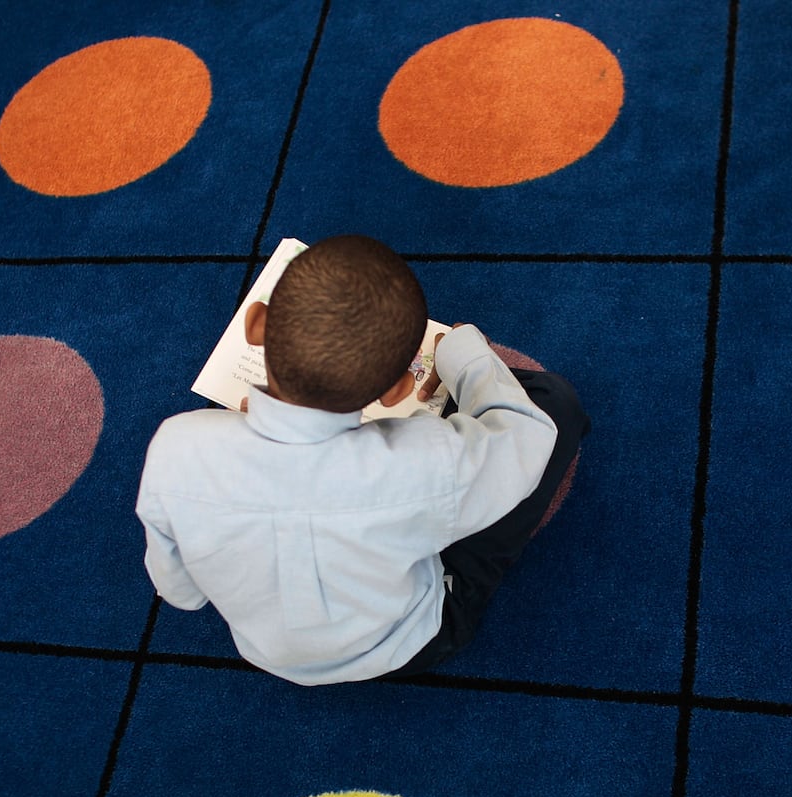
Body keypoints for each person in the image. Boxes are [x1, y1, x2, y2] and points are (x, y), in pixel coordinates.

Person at [136, 235, 588, 685]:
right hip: (411, 641)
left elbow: (181, 592)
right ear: (396, 390)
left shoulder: (175, 447)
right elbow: (527, 437)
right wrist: (462, 350)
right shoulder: (426, 460)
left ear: (255, 324)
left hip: (269, 651)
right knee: (554, 404)